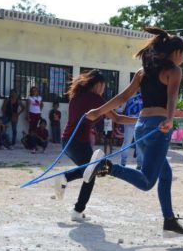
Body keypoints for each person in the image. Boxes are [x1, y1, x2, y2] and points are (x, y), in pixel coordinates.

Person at [84, 27, 183, 236]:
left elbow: (123, 97)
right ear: (176, 52)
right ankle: (106, 166)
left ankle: (169, 220)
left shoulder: (144, 72)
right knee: (147, 182)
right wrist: (169, 119)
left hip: (141, 126)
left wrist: (98, 111)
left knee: (165, 173)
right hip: (158, 127)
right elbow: (171, 97)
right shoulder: (174, 71)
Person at [52, 70, 136, 221]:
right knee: (90, 173)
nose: (104, 90)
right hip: (78, 142)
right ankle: (77, 208)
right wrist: (139, 120)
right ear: (99, 85)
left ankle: (67, 182)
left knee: (89, 170)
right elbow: (117, 118)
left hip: (67, 141)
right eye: (104, 86)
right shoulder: (95, 99)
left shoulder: (75, 97)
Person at [120, 91, 143, 169]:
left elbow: (120, 110)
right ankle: (124, 163)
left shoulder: (129, 96)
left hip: (136, 121)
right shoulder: (129, 95)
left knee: (137, 143)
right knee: (131, 143)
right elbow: (120, 110)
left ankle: (139, 164)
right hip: (133, 121)